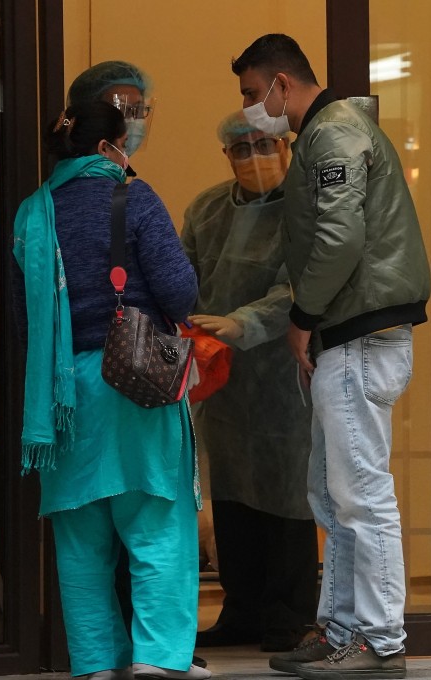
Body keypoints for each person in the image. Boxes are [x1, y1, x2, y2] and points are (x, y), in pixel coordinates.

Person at [232, 33, 431, 680]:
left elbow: (341, 235)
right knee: (332, 490)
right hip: (348, 333)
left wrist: (302, 315)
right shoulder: (331, 132)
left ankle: (379, 639)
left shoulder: (333, 133)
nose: (250, 109)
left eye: (250, 94)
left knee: (360, 492)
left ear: (281, 85)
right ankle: (344, 628)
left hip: (356, 331)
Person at [11, 100, 208, 680]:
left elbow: (24, 323)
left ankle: (97, 666)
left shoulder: (32, 215)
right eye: (127, 142)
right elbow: (179, 294)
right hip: (134, 383)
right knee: (156, 526)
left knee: (80, 539)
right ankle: (158, 660)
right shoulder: (134, 198)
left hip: (63, 397)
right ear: (107, 149)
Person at [182, 111, 317, 652]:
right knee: (234, 494)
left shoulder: (304, 210)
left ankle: (287, 616)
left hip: (284, 376)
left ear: (286, 147)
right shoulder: (207, 209)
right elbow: (182, 276)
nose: (255, 157)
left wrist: (245, 322)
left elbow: (301, 286)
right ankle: (241, 610)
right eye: (243, 149)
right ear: (227, 155)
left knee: (287, 497)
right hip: (222, 375)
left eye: (266, 145)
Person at [68, 60, 154, 158]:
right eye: (120, 109)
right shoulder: (83, 172)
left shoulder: (110, 169)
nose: (131, 120)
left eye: (138, 109)